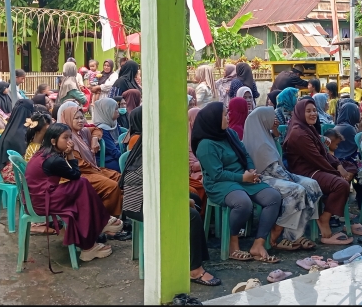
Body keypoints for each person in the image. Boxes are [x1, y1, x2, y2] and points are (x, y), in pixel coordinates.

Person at [120, 135, 221, 286]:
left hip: (154, 199)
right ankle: (194, 270)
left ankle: (185, 253)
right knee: (191, 216)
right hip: (139, 204)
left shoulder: (153, 150)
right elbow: (158, 193)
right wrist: (183, 202)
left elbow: (167, 188)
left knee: (196, 198)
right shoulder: (150, 159)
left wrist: (185, 200)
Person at [192, 102, 282, 262]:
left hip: (242, 178)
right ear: (214, 119)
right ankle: (233, 244)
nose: (228, 117)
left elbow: (245, 154)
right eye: (224, 115)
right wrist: (243, 178)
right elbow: (217, 174)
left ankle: (258, 244)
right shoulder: (205, 145)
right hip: (219, 184)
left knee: (273, 197)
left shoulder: (230, 134)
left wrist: (251, 170)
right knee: (243, 203)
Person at [25, 123, 121, 263]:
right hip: (42, 202)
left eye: (70, 137)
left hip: (38, 197)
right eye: (65, 138)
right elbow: (75, 175)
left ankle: (93, 237)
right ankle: (95, 234)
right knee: (82, 184)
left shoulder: (43, 152)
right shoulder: (53, 160)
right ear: (53, 141)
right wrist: (70, 154)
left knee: (81, 190)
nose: (70, 141)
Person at [243, 107, 322, 250]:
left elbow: (277, 141)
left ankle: (294, 234)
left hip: (279, 174)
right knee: (297, 190)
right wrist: (290, 179)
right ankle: (281, 230)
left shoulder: (264, 134)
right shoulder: (260, 143)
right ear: (263, 119)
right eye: (270, 116)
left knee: (312, 184)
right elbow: (272, 169)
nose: (275, 119)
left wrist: (274, 129)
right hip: (263, 178)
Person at [283, 100, 354, 245]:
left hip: (315, 167)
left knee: (349, 167)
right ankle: (324, 219)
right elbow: (317, 159)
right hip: (305, 172)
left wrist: (338, 165)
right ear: (300, 113)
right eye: (308, 111)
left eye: (314, 110)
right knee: (341, 184)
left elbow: (324, 153)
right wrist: (336, 172)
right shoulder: (299, 133)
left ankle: (332, 209)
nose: (313, 114)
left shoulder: (308, 129)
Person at [60, 106, 123, 218]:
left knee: (120, 178)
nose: (81, 121)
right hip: (80, 174)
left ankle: (115, 216)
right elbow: (78, 165)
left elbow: (96, 129)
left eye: (82, 117)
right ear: (69, 119)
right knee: (112, 186)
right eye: (76, 118)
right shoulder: (66, 139)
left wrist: (94, 139)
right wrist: (99, 173)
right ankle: (104, 220)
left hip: (92, 169)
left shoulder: (82, 132)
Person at [23, 111, 54, 235]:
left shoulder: (34, 145)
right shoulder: (37, 150)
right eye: (49, 128)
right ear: (40, 130)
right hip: (37, 191)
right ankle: (37, 224)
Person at [0, 99, 35, 185]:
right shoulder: (21, 133)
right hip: (12, 173)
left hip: (7, 170)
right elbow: (27, 156)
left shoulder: (12, 127)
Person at [93, 98, 122, 173]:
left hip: (117, 154)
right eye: (115, 109)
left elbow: (122, 141)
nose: (118, 111)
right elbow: (113, 151)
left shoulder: (114, 123)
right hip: (106, 158)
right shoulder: (102, 129)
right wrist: (126, 158)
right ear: (107, 111)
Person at [188, 107, 207, 210]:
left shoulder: (206, 135)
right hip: (193, 175)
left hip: (206, 170)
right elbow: (192, 166)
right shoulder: (187, 140)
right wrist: (209, 161)